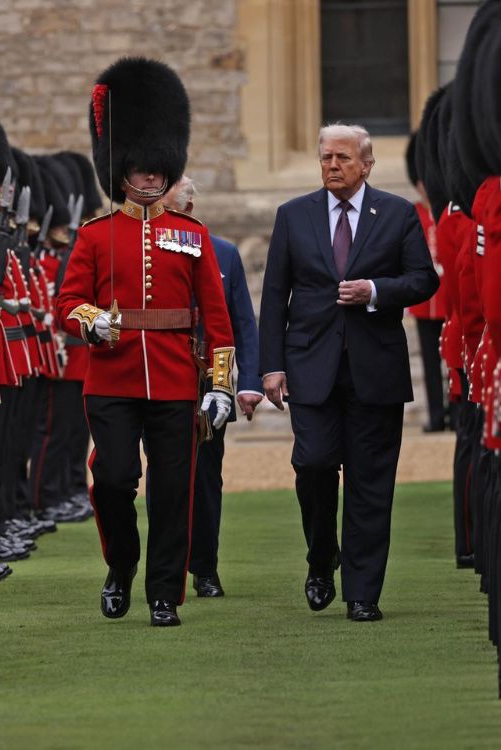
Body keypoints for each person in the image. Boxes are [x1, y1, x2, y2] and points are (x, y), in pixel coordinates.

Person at [56, 57, 235, 627]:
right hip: (111, 377)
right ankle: (121, 566)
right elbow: (66, 302)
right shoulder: (95, 235)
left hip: (177, 379)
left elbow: (215, 318)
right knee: (112, 479)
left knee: (173, 492)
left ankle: (164, 594)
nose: (152, 176)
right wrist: (92, 321)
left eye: (160, 167)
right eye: (141, 166)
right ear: (122, 167)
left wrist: (221, 385)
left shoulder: (192, 236)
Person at [257, 124, 438, 622]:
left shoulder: (398, 214)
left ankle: (363, 592)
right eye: (324, 157)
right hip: (310, 365)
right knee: (313, 464)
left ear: (367, 163)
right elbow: (274, 297)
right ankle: (321, 557)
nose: (332, 165)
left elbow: (424, 279)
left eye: (341, 157)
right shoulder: (293, 216)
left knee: (370, 482)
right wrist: (270, 366)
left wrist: (376, 291)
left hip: (374, 368)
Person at [159, 177, 261, 598]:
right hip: (162, 373)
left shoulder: (222, 253)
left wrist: (247, 381)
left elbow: (242, 323)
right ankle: (167, 567)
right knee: (166, 475)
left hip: (207, 375)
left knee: (206, 477)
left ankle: (204, 566)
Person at [403, 134, 449, 433]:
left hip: (449, 299)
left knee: (456, 359)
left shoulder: (447, 211)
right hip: (424, 302)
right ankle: (436, 414)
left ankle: (458, 411)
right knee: (431, 365)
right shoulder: (413, 213)